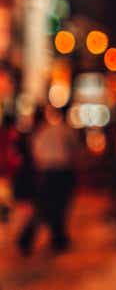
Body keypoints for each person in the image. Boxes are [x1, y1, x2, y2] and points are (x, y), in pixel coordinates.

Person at [17, 106, 78, 255]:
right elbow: (74, 150)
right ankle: (38, 238)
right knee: (58, 206)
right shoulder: (64, 130)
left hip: (47, 173)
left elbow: (36, 155)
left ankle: (54, 238)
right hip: (62, 172)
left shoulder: (40, 134)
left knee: (46, 206)